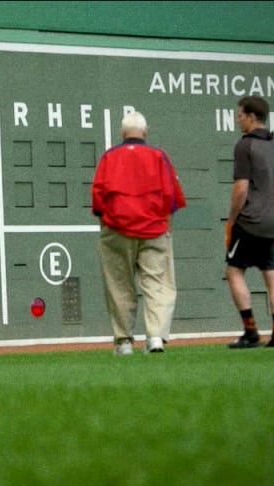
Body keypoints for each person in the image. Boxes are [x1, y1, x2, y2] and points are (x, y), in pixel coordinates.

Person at [91, 110, 186, 355]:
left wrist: (107, 228)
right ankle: (155, 337)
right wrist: (166, 229)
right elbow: (170, 197)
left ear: (121, 133)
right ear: (145, 131)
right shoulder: (158, 156)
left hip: (116, 230)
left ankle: (123, 342)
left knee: (119, 286)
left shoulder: (109, 157)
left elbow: (98, 198)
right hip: (154, 229)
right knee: (157, 285)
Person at [225, 96, 274, 348]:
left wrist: (232, 220)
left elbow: (241, 189)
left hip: (251, 221)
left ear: (252, 116)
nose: (237, 119)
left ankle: (250, 332)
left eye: (240, 115)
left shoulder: (245, 146)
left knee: (233, 271)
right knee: (273, 276)